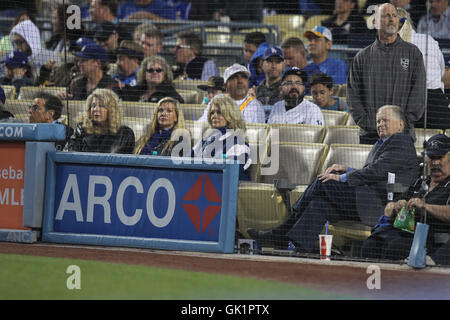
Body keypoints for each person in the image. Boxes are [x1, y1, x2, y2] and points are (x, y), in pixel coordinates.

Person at [248, 105, 420, 252]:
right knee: (319, 204)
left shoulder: (401, 141)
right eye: (378, 121)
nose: (380, 124)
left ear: (400, 124)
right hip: (365, 200)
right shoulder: (382, 143)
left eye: (385, 120)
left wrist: (343, 177)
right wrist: (347, 169)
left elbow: (376, 172)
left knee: (326, 182)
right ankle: (298, 248)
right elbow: (375, 171)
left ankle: (281, 230)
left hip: (380, 204)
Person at [361, 134, 450, 266]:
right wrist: (395, 206)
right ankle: (371, 284)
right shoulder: (420, 182)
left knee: (396, 247)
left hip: (430, 239)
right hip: (404, 232)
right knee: (371, 244)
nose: (435, 163)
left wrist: (425, 206)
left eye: (439, 158)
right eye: (431, 158)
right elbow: (388, 209)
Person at [347, 3, 426, 145]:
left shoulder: (413, 53)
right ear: (375, 22)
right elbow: (353, 96)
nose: (391, 19)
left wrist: (401, 123)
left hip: (403, 135)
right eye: (386, 16)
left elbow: (419, 94)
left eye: (394, 16)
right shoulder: (362, 57)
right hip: (370, 136)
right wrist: (371, 124)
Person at [397, 7, 450, 130]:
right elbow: (441, 71)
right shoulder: (428, 39)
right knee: (441, 146)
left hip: (406, 104)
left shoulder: (388, 45)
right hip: (436, 104)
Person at [192, 94, 251, 181]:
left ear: (230, 115)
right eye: (212, 113)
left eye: (219, 112)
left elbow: (231, 173)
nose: (214, 116)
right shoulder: (207, 138)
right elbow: (187, 158)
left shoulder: (238, 142)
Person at [67, 88, 135, 154]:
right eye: (93, 106)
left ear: (111, 110)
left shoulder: (124, 133)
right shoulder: (81, 129)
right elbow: (71, 155)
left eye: (101, 106)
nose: (96, 109)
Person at [198, 64, 265, 123]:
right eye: (234, 77)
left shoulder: (254, 105)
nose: (240, 81)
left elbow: (252, 134)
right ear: (225, 85)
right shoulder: (217, 100)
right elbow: (202, 124)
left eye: (244, 77)